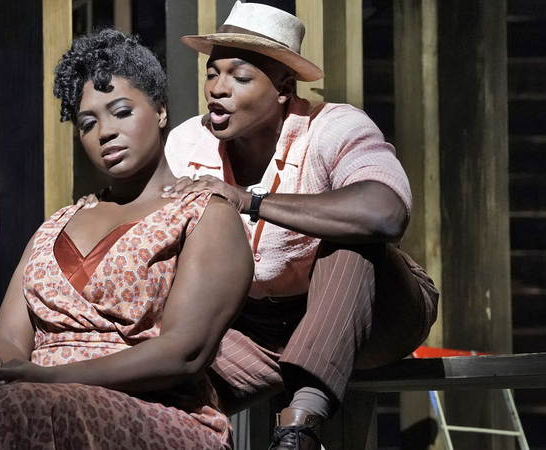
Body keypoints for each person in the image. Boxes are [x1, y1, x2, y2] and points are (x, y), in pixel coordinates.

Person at [0, 28, 253, 450]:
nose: (105, 132)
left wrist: (48, 379)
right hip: (34, 398)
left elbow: (183, 353)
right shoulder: (57, 224)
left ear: (159, 111)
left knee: (39, 409)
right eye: (88, 122)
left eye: (121, 111)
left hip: (156, 408)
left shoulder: (204, 214)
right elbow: (8, 338)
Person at [160, 3, 440, 450]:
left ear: (284, 88)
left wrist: (250, 201)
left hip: (375, 312)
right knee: (163, 395)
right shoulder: (186, 142)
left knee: (349, 241)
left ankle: (298, 429)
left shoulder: (333, 127)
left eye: (240, 77)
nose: (218, 89)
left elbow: (384, 213)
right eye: (212, 74)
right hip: (255, 330)